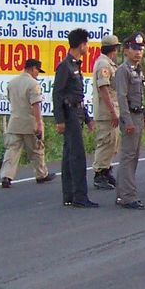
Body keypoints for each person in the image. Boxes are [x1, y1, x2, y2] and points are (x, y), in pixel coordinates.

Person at [53, 28, 98, 208]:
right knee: (76, 156)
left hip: (77, 112)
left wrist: (87, 118)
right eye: (86, 43)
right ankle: (79, 196)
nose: (87, 47)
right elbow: (57, 94)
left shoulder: (75, 65)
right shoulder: (65, 66)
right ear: (81, 45)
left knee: (69, 155)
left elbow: (77, 95)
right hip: (69, 114)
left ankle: (70, 195)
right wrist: (60, 120)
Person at [0, 58, 54, 188]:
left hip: (14, 122)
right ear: (32, 68)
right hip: (30, 123)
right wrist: (39, 123)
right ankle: (41, 174)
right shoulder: (33, 84)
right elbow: (35, 105)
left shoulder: (12, 83)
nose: (38, 74)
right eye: (37, 71)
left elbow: (10, 100)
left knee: (12, 151)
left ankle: (6, 176)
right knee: (36, 150)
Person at [114, 32, 145, 210]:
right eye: (134, 49)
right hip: (130, 117)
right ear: (126, 50)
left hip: (138, 115)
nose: (138, 52)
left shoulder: (137, 70)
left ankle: (123, 193)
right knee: (128, 157)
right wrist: (127, 121)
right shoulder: (123, 70)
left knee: (133, 157)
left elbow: (140, 95)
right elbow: (122, 97)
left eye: (140, 49)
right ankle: (128, 196)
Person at [91, 34, 121, 190]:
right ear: (113, 49)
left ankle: (106, 169)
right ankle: (99, 173)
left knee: (112, 142)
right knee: (105, 141)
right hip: (106, 112)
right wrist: (112, 111)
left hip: (111, 110)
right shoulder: (104, 64)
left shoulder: (108, 63)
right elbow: (104, 89)